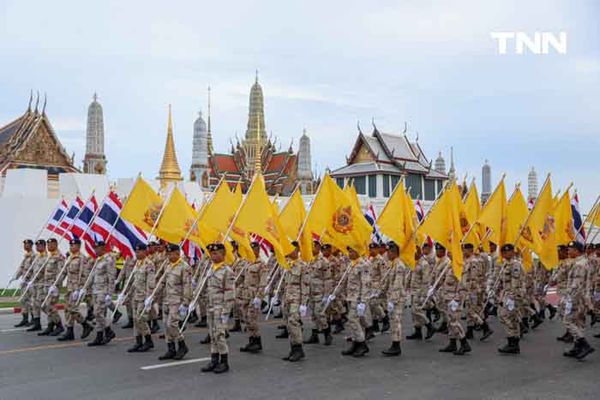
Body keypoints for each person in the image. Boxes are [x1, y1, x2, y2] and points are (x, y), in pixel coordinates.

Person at [201, 243, 234, 373]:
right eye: (211, 254)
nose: (213, 256)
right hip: (210, 306)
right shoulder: (210, 268)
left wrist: (226, 312)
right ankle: (214, 359)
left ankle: (224, 361)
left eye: (215, 253)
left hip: (220, 307)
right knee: (212, 333)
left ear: (223, 254)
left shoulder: (227, 271)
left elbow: (230, 292)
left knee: (220, 334)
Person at [158, 243, 192, 361]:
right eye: (168, 254)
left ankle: (182, 345)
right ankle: (171, 348)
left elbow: (187, 286)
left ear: (178, 253)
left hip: (177, 300)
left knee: (172, 324)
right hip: (167, 299)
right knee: (166, 326)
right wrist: (153, 296)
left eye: (171, 254)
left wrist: (186, 303)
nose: (169, 256)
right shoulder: (168, 265)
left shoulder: (184, 267)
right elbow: (163, 282)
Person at [562, 241, 595, 359]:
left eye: (570, 249)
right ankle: (577, 347)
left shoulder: (579, 264)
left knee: (568, 321)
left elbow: (576, 285)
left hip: (577, 298)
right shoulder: (582, 262)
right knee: (578, 322)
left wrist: (569, 299)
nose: (568, 251)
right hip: (583, 297)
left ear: (576, 250)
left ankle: (584, 344)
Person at [57, 238, 94, 341]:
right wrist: (56, 285)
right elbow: (63, 273)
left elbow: (84, 275)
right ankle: (70, 331)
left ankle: (85, 324)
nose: (71, 247)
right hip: (69, 287)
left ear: (78, 246)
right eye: (70, 245)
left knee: (72, 309)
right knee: (67, 309)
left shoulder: (82, 258)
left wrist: (80, 289)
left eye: (73, 245)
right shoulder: (69, 258)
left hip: (77, 288)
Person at [437, 244, 470, 356]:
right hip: (448, 298)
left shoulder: (460, 266)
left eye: (451, 251)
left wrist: (456, 300)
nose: (448, 253)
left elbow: (463, 285)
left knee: (454, 322)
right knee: (450, 322)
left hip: (455, 299)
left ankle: (464, 343)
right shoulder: (450, 265)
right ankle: (452, 343)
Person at [341, 246, 371, 358]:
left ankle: (362, 344)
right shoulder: (352, 264)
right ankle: (355, 343)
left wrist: (363, 301)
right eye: (348, 251)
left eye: (352, 251)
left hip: (358, 298)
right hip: (350, 297)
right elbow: (346, 281)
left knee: (353, 319)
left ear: (358, 251)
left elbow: (365, 284)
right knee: (352, 320)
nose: (349, 253)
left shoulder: (363, 265)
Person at [280, 241, 308, 362]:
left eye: (291, 249)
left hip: (296, 298)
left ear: (297, 250)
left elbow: (305, 285)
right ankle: (293, 348)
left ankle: (298, 349)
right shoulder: (287, 265)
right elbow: (284, 283)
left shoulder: (302, 266)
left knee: (294, 322)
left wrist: (303, 303)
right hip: (287, 298)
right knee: (288, 324)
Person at [240, 242, 268, 353]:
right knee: (246, 318)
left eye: (254, 249)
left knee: (252, 319)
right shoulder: (247, 263)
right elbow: (241, 278)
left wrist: (259, 296)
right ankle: (251, 340)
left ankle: (257, 341)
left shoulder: (261, 264)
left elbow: (263, 282)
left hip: (254, 295)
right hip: (246, 295)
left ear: (258, 250)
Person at [381, 241, 408, 356]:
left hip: (397, 298)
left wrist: (393, 300)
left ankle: (396, 345)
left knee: (396, 321)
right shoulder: (393, 264)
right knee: (393, 320)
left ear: (393, 252)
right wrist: (379, 292)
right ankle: (394, 343)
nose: (387, 254)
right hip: (392, 297)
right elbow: (388, 282)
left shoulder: (399, 266)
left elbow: (397, 284)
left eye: (388, 252)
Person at [304, 240, 333, 346]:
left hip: (320, 292)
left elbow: (328, 279)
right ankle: (314, 334)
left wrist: (327, 294)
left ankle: (327, 333)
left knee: (319, 313)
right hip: (311, 292)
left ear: (318, 247)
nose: (311, 249)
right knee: (312, 315)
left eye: (313, 247)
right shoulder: (310, 260)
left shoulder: (324, 261)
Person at [127, 244, 156, 353]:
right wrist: (127, 294)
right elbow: (134, 282)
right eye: (136, 251)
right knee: (135, 319)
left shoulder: (149, 264)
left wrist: (149, 297)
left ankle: (148, 340)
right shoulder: (137, 264)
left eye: (139, 252)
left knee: (141, 318)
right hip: (136, 295)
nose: (137, 253)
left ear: (144, 252)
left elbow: (151, 283)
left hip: (144, 296)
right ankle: (138, 341)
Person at [87, 241, 117, 346]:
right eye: (94, 248)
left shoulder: (108, 260)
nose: (95, 250)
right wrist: (85, 288)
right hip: (96, 290)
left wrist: (110, 293)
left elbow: (111, 277)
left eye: (97, 248)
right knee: (98, 314)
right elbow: (93, 276)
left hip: (103, 291)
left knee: (97, 313)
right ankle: (99, 336)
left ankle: (109, 331)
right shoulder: (98, 260)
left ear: (102, 248)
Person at [497, 244, 524, 354]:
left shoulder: (515, 265)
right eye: (503, 252)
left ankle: (513, 341)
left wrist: (511, 298)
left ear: (513, 252)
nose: (505, 254)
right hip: (507, 294)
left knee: (505, 316)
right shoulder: (506, 264)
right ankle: (513, 343)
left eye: (508, 252)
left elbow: (515, 282)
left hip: (513, 295)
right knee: (510, 318)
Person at [406, 243, 435, 340]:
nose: (413, 254)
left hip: (419, 291)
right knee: (413, 313)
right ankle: (417, 331)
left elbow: (426, 280)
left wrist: (424, 294)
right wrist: (406, 286)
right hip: (413, 290)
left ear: (419, 252)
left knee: (416, 310)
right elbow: (410, 276)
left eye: (414, 252)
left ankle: (429, 326)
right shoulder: (414, 262)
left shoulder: (424, 264)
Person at [38, 238, 65, 337]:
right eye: (48, 245)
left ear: (55, 244)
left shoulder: (59, 257)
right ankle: (50, 325)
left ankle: (59, 325)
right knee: (44, 305)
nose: (48, 246)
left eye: (50, 245)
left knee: (50, 306)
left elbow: (61, 273)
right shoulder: (50, 256)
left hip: (53, 286)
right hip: (46, 285)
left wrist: (56, 285)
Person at [26, 239, 48, 332]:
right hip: (34, 283)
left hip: (42, 284)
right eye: (36, 246)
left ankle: (55, 322)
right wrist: (26, 279)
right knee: (34, 304)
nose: (37, 247)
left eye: (39, 246)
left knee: (42, 304)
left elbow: (44, 272)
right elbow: (32, 269)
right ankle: (37, 323)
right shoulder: (37, 257)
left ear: (44, 246)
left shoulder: (47, 257)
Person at [13, 239, 35, 328]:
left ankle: (34, 319)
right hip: (24, 282)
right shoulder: (26, 256)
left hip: (30, 282)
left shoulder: (34, 256)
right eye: (24, 244)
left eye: (27, 244)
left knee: (31, 301)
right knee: (24, 300)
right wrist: (16, 276)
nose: (25, 246)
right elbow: (21, 268)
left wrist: (29, 279)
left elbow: (34, 269)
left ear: (31, 245)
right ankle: (25, 319)